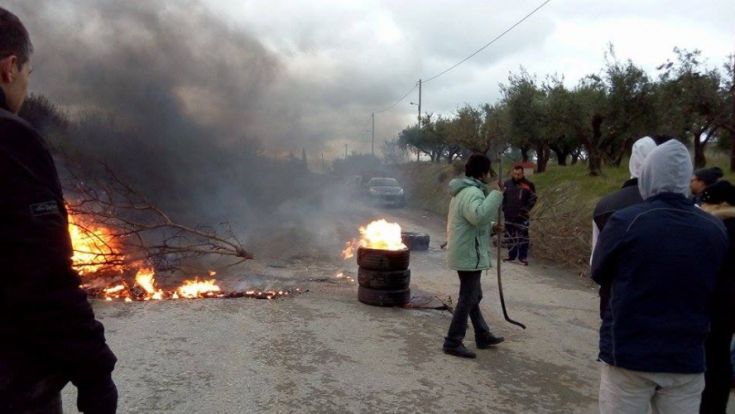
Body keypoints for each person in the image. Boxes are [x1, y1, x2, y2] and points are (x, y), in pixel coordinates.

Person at [0, 8, 118, 413]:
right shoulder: (10, 138)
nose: (25, 89)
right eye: (28, 75)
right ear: (9, 68)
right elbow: (43, 273)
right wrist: (95, 372)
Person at [592, 139, 728, 413]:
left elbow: (598, 271)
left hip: (629, 352)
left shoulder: (626, 220)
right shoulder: (714, 228)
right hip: (686, 358)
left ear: (648, 174)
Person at [444, 154, 505, 359]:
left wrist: (491, 228)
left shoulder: (466, 191)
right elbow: (478, 216)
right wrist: (496, 195)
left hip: (467, 251)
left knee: (473, 295)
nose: (490, 176)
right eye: (488, 172)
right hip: (469, 254)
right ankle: (453, 341)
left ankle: (482, 334)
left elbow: (472, 221)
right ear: (483, 173)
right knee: (468, 296)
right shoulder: (473, 192)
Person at [590, 136, 656, 317]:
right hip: (667, 310)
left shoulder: (606, 205)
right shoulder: (692, 212)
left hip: (617, 300)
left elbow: (597, 264)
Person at [698, 180, 735, 413]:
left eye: (704, 202)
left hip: (712, 304)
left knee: (707, 361)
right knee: (720, 359)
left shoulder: (713, 228)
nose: (700, 206)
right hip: (729, 307)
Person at [502, 165, 536, 265]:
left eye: (519, 174)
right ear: (513, 173)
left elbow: (533, 198)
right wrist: (504, 208)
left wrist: (526, 209)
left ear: (523, 173)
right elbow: (503, 197)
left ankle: (523, 257)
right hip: (509, 214)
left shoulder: (528, 184)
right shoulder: (507, 184)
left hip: (522, 216)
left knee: (523, 236)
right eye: (515, 173)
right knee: (509, 235)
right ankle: (511, 255)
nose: (517, 176)